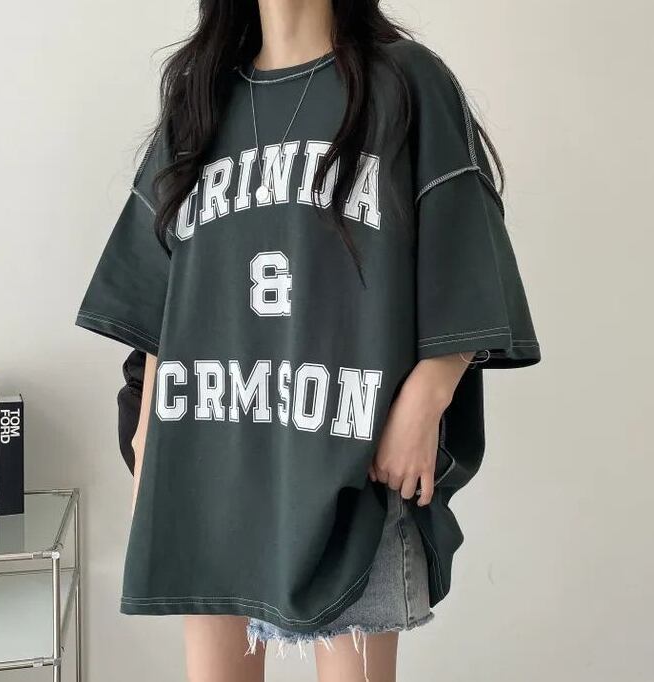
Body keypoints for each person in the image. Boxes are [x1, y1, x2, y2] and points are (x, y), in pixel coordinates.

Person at [75, 1, 541, 680]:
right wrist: (149, 433)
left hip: (352, 458)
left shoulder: (405, 82)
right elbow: (159, 290)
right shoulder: (199, 99)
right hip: (213, 456)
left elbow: (465, 246)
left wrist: (427, 397)